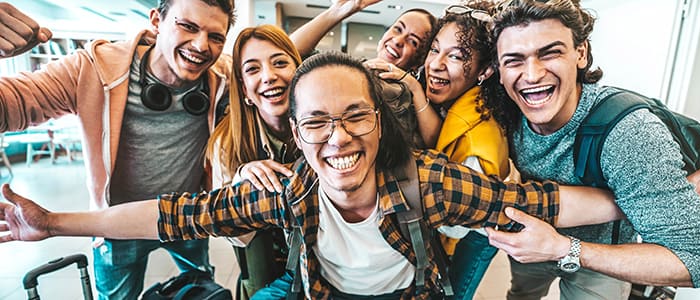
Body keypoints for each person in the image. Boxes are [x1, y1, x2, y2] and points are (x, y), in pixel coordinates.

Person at [0, 51, 627, 299]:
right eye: (318, 123)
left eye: (356, 117)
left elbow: (536, 201)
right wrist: (53, 222)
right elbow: (171, 214)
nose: (339, 138)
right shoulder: (289, 189)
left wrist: (632, 199)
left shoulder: (426, 181)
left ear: (380, 125)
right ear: (296, 135)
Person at [482, 0, 700, 298]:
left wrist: (565, 248)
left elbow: (699, 261)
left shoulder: (630, 133)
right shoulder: (503, 112)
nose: (532, 75)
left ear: (580, 53)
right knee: (521, 295)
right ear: (499, 69)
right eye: (514, 60)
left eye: (551, 52)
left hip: (603, 261)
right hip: (531, 246)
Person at [0, 1, 234, 299]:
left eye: (216, 37)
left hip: (185, 217)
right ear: (156, 21)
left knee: (203, 288)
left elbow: (278, 59)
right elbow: (11, 107)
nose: (202, 46)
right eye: (188, 26)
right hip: (115, 225)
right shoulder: (93, 68)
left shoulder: (221, 77)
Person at [417, 2, 514, 298]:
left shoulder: (478, 136)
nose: (435, 63)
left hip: (474, 236)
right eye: (434, 50)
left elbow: (456, 227)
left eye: (456, 56)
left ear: (485, 70)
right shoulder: (464, 106)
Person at [206, 24, 302, 298]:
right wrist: (242, 184)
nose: (269, 77)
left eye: (280, 63)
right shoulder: (227, 142)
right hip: (263, 272)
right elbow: (228, 231)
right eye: (253, 69)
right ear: (245, 90)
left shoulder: (325, 127)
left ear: (300, 72)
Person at [290, 0, 441, 148]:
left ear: (418, 62)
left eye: (413, 42)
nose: (398, 41)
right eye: (398, 29)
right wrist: (339, 11)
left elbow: (432, 140)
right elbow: (290, 52)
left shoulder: (408, 94)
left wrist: (413, 86)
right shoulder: (349, 67)